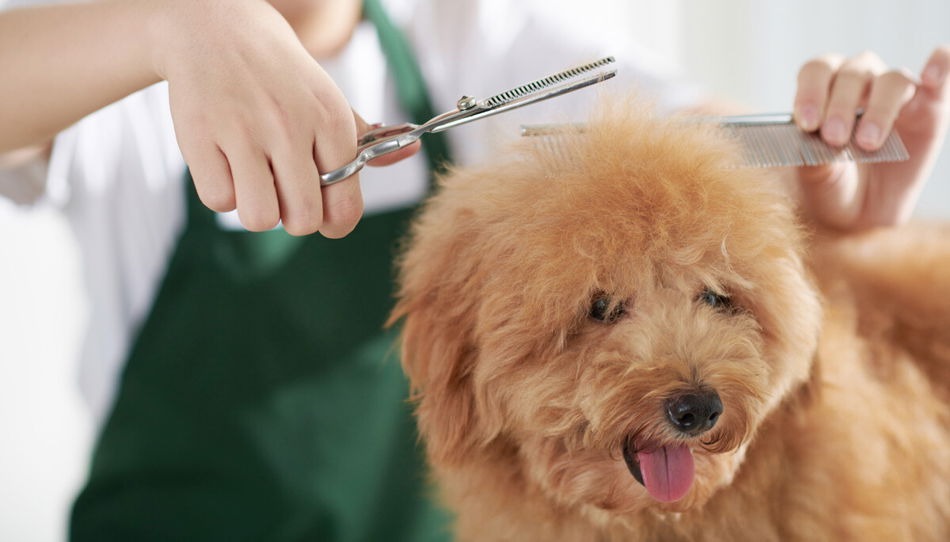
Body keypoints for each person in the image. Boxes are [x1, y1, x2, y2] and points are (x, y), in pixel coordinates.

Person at [1, 0, 947, 540]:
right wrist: (173, 26)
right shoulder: (116, 81)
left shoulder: (478, 44)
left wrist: (825, 173)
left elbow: (707, 160)